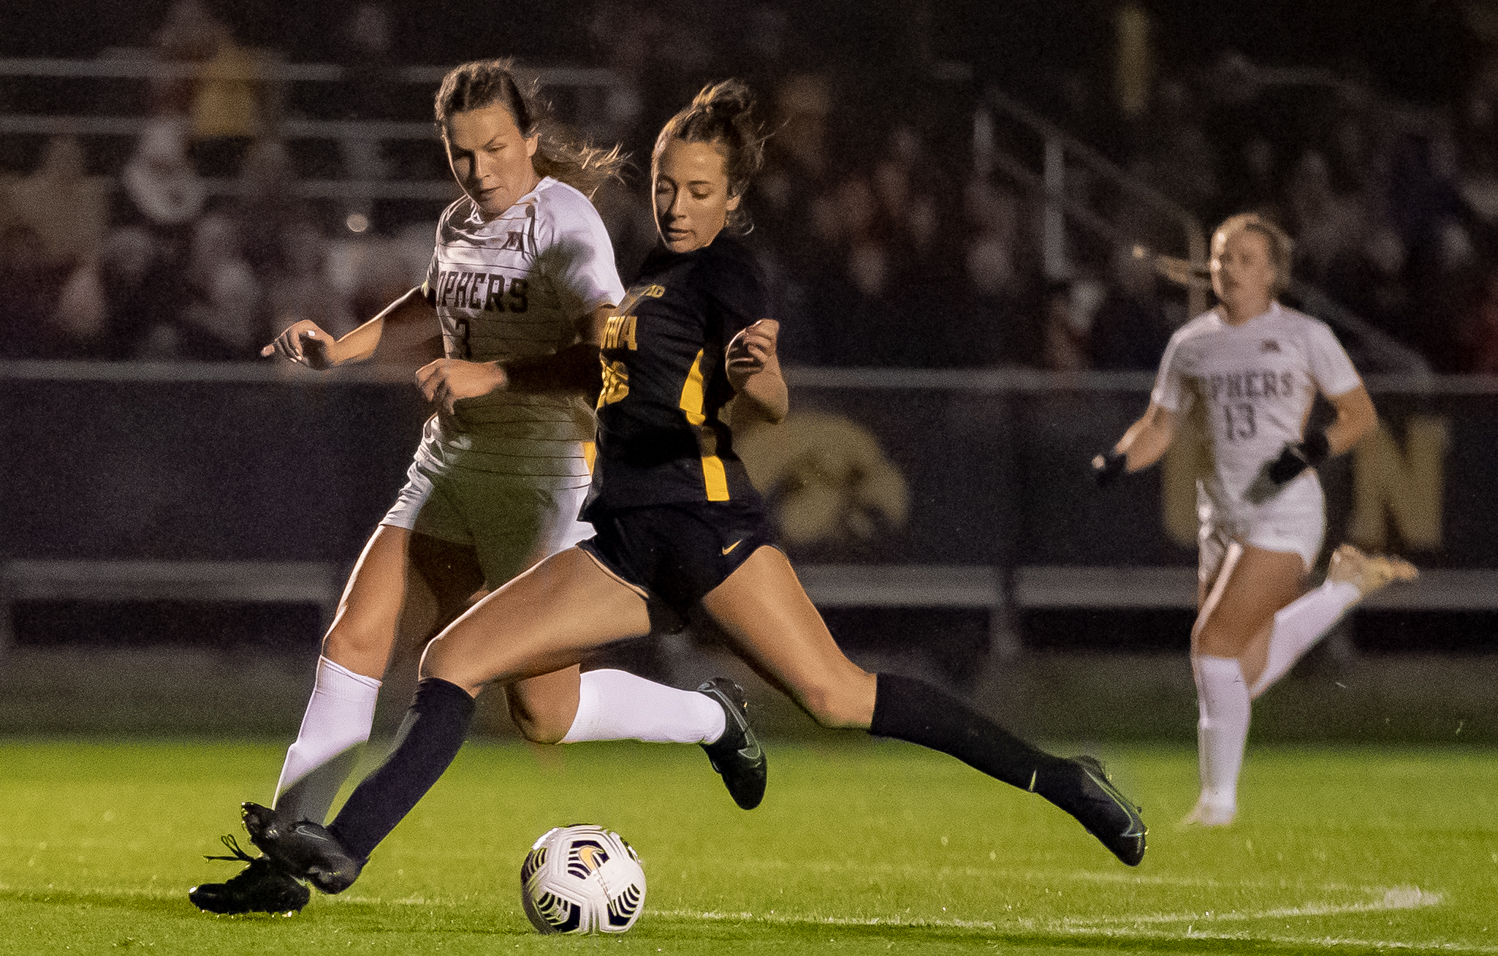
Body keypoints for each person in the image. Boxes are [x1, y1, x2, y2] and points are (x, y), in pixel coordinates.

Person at [231, 80, 1147, 901]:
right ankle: (343, 847)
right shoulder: (649, 278)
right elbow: (558, 347)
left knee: (835, 698)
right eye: (668, 185)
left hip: (707, 531)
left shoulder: (726, 273)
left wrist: (762, 379)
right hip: (623, 543)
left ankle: (1060, 778)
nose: (676, 203)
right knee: (453, 662)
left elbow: (769, 398)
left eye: (699, 191)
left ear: (732, 198)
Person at [188, 61, 767, 917]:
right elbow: (439, 293)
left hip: (543, 479)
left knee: (542, 710)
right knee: (353, 638)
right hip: (449, 466)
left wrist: (494, 375)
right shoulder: (459, 218)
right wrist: (344, 349)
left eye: (496, 148)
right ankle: (282, 863)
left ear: (529, 139)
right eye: (462, 153)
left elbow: (609, 354)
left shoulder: (567, 225)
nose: (480, 169)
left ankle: (712, 719)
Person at [1092, 213, 1417, 827]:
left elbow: (1359, 414)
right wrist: (1117, 458)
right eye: (1220, 257)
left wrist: (1310, 450)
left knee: (1211, 646)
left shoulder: (1304, 333)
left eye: (1243, 258)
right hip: (1220, 518)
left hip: (1284, 509)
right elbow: (1158, 426)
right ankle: (1345, 588)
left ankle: (1219, 804)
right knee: (1236, 672)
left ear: (1272, 271)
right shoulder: (1191, 343)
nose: (1228, 268)